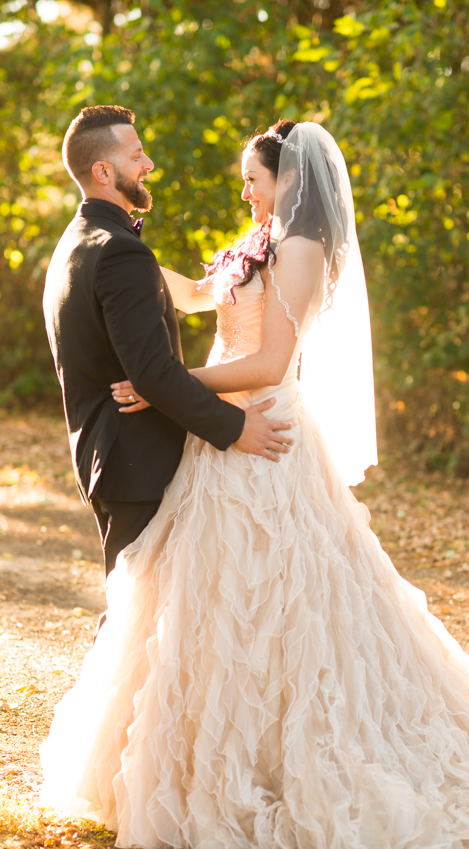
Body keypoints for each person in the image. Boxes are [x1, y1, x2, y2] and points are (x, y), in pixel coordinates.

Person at [41, 119, 469, 849]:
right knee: (218, 602)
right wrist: (103, 256)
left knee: (290, 601)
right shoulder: (259, 239)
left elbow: (269, 359)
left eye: (252, 179)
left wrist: (161, 383)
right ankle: (227, 749)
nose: (243, 191)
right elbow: (201, 293)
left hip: (262, 432)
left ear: (290, 179)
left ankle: (291, 754)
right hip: (219, 442)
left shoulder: (301, 249)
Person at [43, 105, 294, 592]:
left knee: (147, 610)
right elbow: (153, 374)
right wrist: (236, 426)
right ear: (103, 171)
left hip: (107, 454)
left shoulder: (77, 244)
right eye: (136, 155)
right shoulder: (119, 252)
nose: (148, 164)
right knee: (137, 613)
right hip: (134, 458)